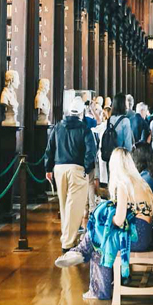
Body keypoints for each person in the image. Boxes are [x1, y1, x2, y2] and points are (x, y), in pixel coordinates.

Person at [55, 148, 153, 300]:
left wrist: (109, 220)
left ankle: (98, 289)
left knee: (99, 243)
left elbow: (120, 220)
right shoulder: (141, 182)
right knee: (102, 232)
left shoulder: (123, 184)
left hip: (136, 237)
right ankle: (80, 251)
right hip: (145, 234)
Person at [44, 97, 98, 251]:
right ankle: (68, 242)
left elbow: (49, 149)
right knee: (75, 206)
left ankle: (67, 237)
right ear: (81, 112)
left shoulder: (58, 126)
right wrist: (87, 169)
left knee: (64, 204)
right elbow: (91, 151)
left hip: (59, 168)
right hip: (76, 168)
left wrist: (48, 169)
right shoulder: (84, 129)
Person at [92, 106, 112, 188]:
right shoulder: (111, 124)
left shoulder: (104, 125)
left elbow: (94, 128)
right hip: (112, 151)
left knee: (103, 174)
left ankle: (104, 193)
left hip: (103, 152)